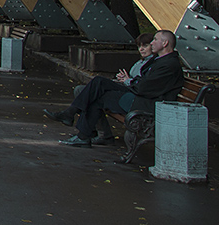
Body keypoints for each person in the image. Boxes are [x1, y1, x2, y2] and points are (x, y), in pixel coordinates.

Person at [45, 30, 185, 147]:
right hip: (139, 93)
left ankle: (77, 125)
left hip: (145, 102)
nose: (152, 42)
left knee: (98, 96)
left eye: (155, 39)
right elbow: (144, 81)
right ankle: (74, 121)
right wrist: (131, 81)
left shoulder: (169, 65)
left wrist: (129, 81)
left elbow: (145, 87)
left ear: (165, 43)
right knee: (99, 82)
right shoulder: (161, 61)